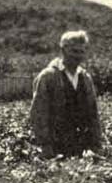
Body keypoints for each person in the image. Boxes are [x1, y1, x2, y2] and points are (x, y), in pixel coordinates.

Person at [29, 30, 103, 158]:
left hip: (82, 146)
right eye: (74, 51)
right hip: (56, 146)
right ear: (63, 50)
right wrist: (45, 145)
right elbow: (39, 113)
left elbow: (93, 113)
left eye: (81, 52)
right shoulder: (48, 76)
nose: (78, 56)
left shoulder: (85, 78)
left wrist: (96, 143)